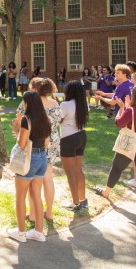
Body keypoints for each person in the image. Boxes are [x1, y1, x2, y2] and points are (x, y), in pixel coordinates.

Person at [95, 86, 136, 211]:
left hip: (130, 146)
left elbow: (119, 123)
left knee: (117, 167)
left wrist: (123, 108)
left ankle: (106, 192)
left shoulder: (131, 111)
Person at [16, 78, 60, 224]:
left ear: (35, 88)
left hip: (32, 143)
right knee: (47, 177)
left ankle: (33, 214)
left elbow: (18, 119)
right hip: (51, 140)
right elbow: (59, 121)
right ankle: (49, 211)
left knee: (32, 180)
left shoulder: (28, 102)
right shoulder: (54, 103)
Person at [8, 91, 51, 243]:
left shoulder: (27, 119)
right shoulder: (46, 119)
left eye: (24, 102)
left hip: (29, 159)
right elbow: (46, 143)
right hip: (42, 158)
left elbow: (21, 143)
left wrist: (18, 127)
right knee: (36, 195)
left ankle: (20, 233)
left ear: (28, 104)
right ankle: (39, 231)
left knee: (20, 196)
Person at [59, 81, 89, 213]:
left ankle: (76, 203)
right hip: (81, 136)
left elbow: (57, 120)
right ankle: (82, 200)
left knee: (69, 172)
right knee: (78, 169)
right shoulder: (84, 104)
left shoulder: (65, 104)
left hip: (68, 138)